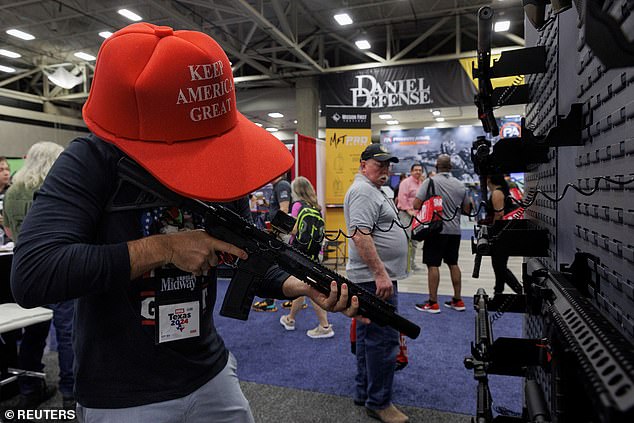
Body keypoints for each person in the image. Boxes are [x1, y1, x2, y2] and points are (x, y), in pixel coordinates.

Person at [10, 22, 363, 423]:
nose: (210, 156)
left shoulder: (220, 154)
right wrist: (164, 248)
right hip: (123, 394)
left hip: (210, 371)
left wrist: (295, 283)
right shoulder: (92, 161)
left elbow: (244, 254)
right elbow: (34, 273)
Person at [3, 141, 76, 409]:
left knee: (33, 331)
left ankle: (28, 389)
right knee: (67, 332)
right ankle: (70, 393)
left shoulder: (12, 191)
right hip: (58, 268)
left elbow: (10, 234)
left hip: (26, 271)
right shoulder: (57, 188)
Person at [344, 143, 409, 423]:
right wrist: (381, 274)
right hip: (374, 281)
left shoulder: (375, 190)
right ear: (363, 165)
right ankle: (379, 402)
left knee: (369, 338)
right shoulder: (362, 191)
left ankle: (365, 392)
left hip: (373, 279)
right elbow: (360, 234)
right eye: (378, 164)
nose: (384, 169)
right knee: (383, 341)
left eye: (387, 165)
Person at [413, 154, 471, 314]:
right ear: (451, 168)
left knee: (433, 265)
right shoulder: (460, 185)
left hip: (435, 231)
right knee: (453, 263)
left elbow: (416, 204)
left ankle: (433, 302)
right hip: (455, 231)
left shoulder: (430, 182)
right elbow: (468, 209)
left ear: (436, 167)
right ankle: (458, 300)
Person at [279, 176, 333, 339]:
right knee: (304, 286)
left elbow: (295, 230)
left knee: (310, 289)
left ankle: (324, 326)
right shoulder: (317, 207)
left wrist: (282, 226)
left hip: (299, 254)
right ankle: (290, 319)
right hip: (314, 254)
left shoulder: (297, 206)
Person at [252, 175, 292, 312]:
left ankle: (271, 302)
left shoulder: (282, 185)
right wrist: (265, 204)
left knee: (275, 264)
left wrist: (274, 232)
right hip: (277, 232)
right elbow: (276, 208)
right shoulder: (277, 187)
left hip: (279, 233)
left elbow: (284, 209)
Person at [486, 174, 523, 295]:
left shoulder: (497, 192)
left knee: (499, 265)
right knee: (499, 265)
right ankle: (498, 291)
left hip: (501, 232)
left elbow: (499, 214)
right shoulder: (504, 190)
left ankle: (519, 290)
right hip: (506, 231)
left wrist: (493, 230)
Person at [397, 163, 424, 272]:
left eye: (420, 170)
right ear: (411, 171)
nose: (418, 172)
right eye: (416, 170)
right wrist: (409, 210)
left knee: (415, 241)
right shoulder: (405, 182)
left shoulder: (422, 183)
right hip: (405, 214)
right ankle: (404, 266)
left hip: (417, 216)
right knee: (406, 241)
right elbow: (402, 197)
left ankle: (412, 264)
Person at [0, 156, 12, 245]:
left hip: (9, 243)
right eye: (1, 170)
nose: (6, 173)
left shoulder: (12, 193)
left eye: (7, 169)